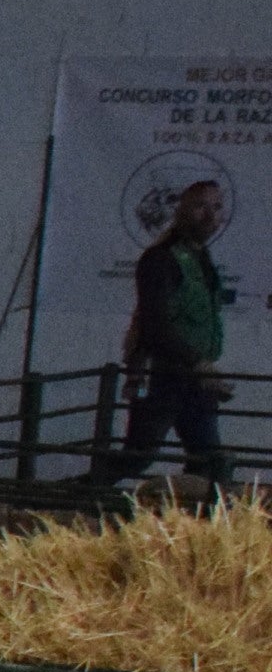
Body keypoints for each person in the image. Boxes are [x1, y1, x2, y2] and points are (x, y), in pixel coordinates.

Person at [103, 179, 238, 487]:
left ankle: (194, 520)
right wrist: (198, 363)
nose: (210, 215)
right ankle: (66, 500)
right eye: (200, 206)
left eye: (216, 207)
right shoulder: (163, 258)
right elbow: (156, 324)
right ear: (181, 210)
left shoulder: (197, 257)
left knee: (204, 456)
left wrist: (201, 366)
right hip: (164, 374)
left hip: (190, 377)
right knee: (139, 456)